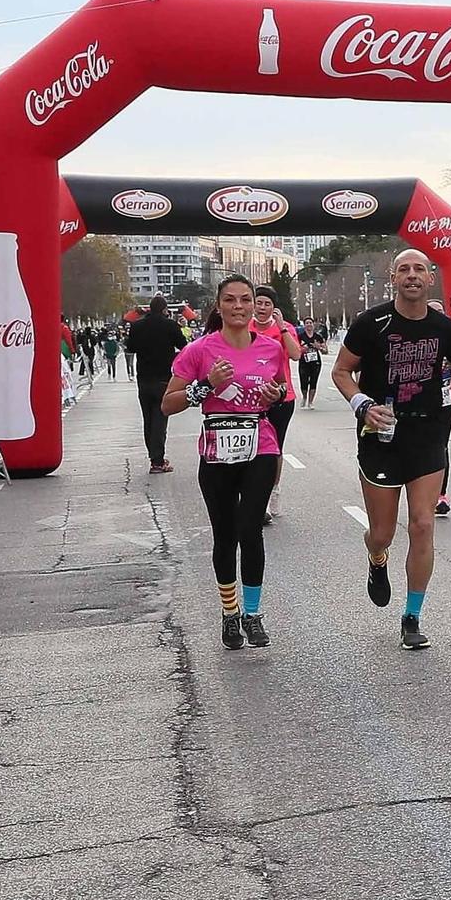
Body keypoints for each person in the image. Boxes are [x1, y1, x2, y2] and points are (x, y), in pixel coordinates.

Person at [332, 251, 451, 651]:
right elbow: (341, 371)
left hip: (428, 434)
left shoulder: (446, 328)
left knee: (423, 525)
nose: (412, 276)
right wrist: (362, 404)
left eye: (419, 270)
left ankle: (412, 616)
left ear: (430, 279)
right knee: (382, 532)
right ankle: (377, 559)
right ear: (392, 278)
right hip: (381, 435)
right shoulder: (371, 324)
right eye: (404, 270)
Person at [160, 276, 288, 650]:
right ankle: (230, 614)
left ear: (254, 306)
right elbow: (168, 403)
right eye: (230, 300)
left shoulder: (270, 348)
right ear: (219, 306)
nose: (239, 306)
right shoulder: (199, 351)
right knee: (225, 534)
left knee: (250, 530)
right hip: (217, 451)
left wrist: (274, 394)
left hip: (259, 446)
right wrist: (205, 386)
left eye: (245, 300)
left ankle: (252, 614)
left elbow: (278, 390)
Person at [248, 287, 302, 521]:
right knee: (252, 448)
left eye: (266, 304)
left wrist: (281, 327)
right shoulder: (244, 327)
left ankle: (273, 491)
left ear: (274, 308)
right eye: (258, 303)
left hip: (281, 397)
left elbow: (296, 354)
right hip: (251, 397)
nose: (261, 308)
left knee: (274, 449)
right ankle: (253, 496)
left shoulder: (284, 329)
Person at [127, 296, 185, 474]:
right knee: (160, 419)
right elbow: (184, 346)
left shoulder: (137, 326)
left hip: (143, 377)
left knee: (148, 419)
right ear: (164, 309)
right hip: (163, 378)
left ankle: (154, 457)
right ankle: (157, 461)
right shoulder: (170, 326)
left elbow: (130, 347)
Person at [297, 320, 325, 408]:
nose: (309, 325)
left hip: (315, 362)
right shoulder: (300, 336)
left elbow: (325, 350)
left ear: (313, 325)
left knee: (313, 382)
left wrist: (319, 347)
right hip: (304, 362)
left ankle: (310, 402)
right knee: (303, 381)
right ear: (304, 325)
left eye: (310, 323)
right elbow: (295, 348)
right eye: (307, 323)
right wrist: (302, 349)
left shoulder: (318, 337)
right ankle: (304, 397)